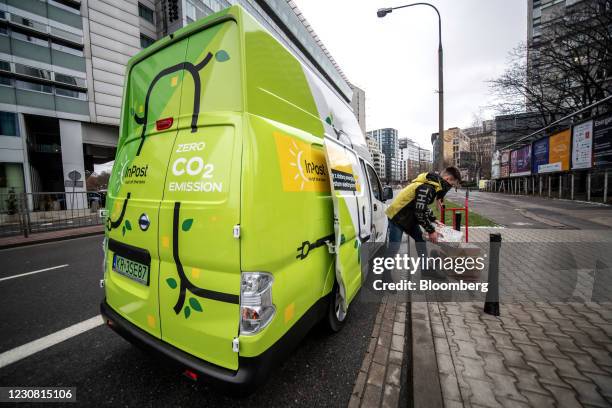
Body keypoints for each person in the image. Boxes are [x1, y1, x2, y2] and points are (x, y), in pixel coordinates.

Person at [385, 167, 461, 276]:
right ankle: (385, 276)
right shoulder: (428, 187)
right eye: (452, 185)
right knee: (394, 247)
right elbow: (419, 211)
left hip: (408, 216)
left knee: (420, 239)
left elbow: (421, 206)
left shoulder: (432, 186)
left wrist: (434, 220)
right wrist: (431, 231)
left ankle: (425, 269)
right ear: (448, 179)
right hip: (397, 217)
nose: (450, 188)